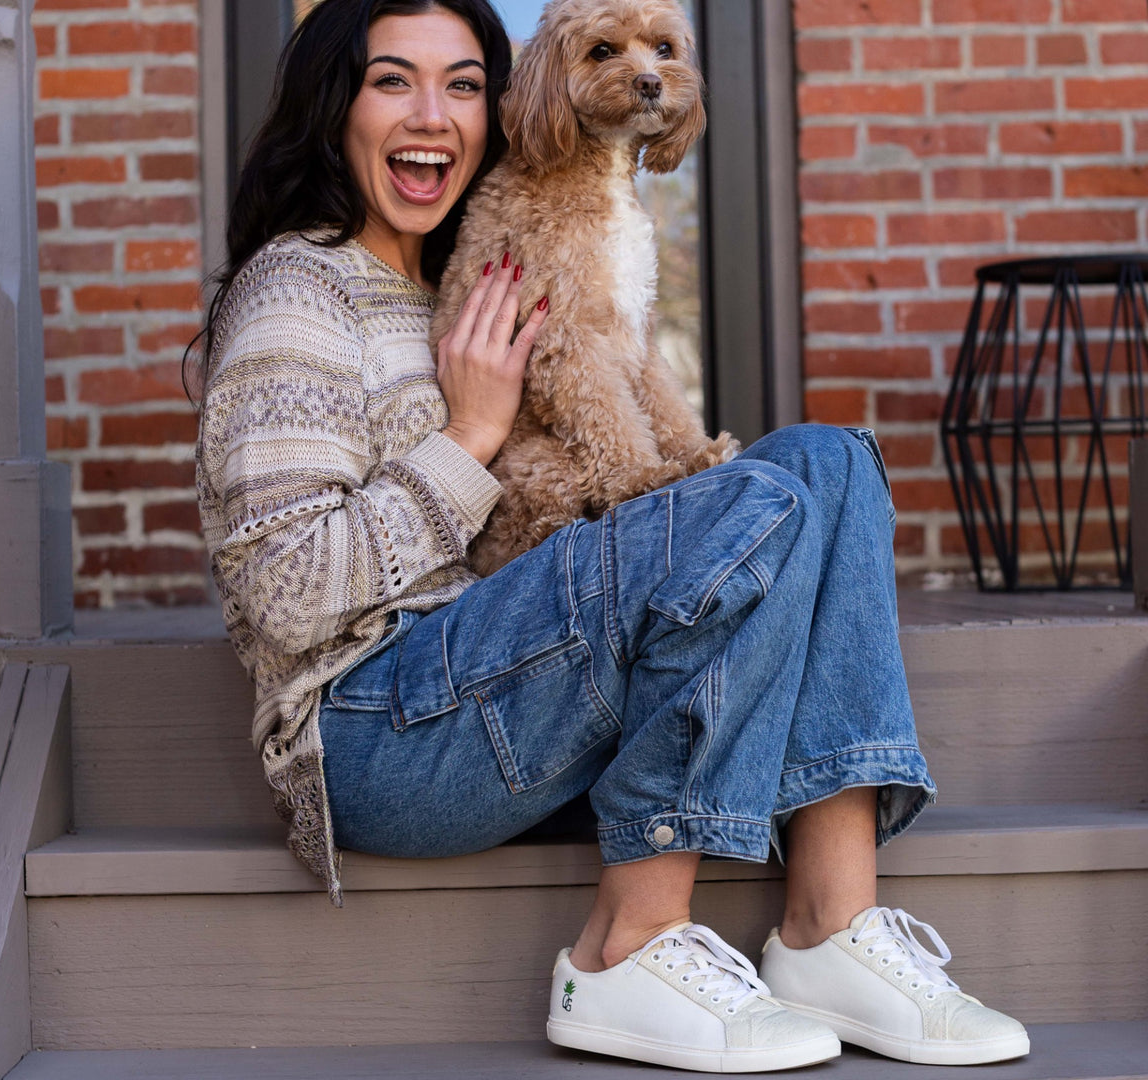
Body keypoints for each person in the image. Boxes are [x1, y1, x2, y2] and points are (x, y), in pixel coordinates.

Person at [190, 0, 1030, 1071]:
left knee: (830, 463)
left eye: (460, 86)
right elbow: (291, 591)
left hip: (527, 688)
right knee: (750, 505)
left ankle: (831, 924)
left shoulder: (477, 259)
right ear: (333, 104)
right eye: (392, 80)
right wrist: (472, 433)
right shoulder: (297, 294)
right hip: (378, 731)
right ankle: (629, 944)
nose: (433, 116)